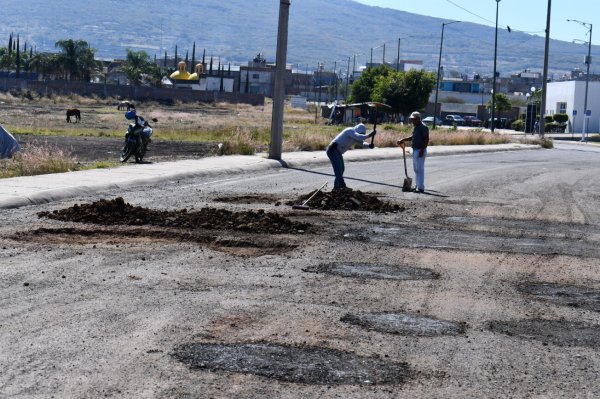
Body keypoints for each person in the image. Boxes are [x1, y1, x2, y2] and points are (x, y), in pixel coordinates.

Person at [326, 123, 375, 189]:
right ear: (357, 130)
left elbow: (362, 143)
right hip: (333, 150)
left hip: (338, 152)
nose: (362, 135)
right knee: (338, 169)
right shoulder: (350, 130)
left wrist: (369, 145)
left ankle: (336, 187)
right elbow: (358, 136)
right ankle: (342, 186)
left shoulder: (356, 136)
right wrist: (369, 135)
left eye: (363, 134)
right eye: (361, 133)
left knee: (341, 169)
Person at [397, 111, 429, 193]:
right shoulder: (416, 127)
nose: (412, 121)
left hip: (420, 150)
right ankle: (417, 185)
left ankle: (420, 187)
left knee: (420, 169)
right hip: (415, 150)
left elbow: (426, 139)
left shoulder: (423, 127)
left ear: (418, 119)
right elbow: (412, 137)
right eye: (411, 119)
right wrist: (403, 139)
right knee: (416, 169)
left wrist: (422, 150)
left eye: (413, 119)